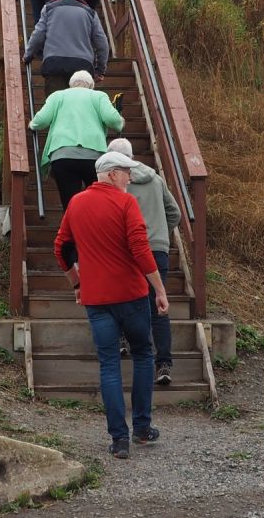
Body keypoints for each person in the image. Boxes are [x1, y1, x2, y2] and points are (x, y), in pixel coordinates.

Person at [54, 149, 169, 458]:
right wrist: (159, 289)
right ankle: (142, 428)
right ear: (112, 174)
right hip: (131, 295)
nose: (129, 178)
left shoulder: (76, 203)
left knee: (109, 365)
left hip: (97, 299)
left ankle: (119, 439)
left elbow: (61, 248)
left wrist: (77, 283)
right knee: (143, 354)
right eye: (126, 173)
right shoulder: (126, 203)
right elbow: (141, 249)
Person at [108, 138, 182, 385]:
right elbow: (175, 213)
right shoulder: (155, 178)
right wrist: (160, 233)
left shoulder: (116, 182)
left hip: (129, 250)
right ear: (132, 155)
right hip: (158, 250)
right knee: (158, 306)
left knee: (121, 298)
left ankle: (121, 340)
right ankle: (164, 364)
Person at [28, 70, 122, 206]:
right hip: (94, 157)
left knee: (70, 203)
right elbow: (112, 119)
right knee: (97, 203)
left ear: (71, 85)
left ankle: (72, 217)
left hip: (63, 155)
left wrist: (32, 124)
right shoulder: (98, 96)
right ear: (91, 86)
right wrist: (120, 123)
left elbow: (41, 120)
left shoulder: (58, 96)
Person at [23, 0, 108, 95]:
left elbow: (38, 35)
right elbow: (102, 43)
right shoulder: (90, 13)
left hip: (55, 65)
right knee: (81, 104)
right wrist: (100, 70)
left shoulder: (49, 9)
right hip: (82, 67)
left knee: (56, 103)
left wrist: (28, 55)